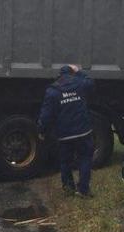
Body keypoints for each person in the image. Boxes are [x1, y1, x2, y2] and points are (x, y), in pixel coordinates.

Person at [38, 64, 95, 197]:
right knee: (85, 158)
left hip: (65, 134)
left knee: (65, 161)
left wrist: (41, 130)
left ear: (60, 75)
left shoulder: (52, 90)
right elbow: (91, 83)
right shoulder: (79, 83)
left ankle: (68, 188)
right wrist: (79, 71)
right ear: (72, 73)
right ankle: (83, 190)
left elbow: (46, 115)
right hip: (83, 131)